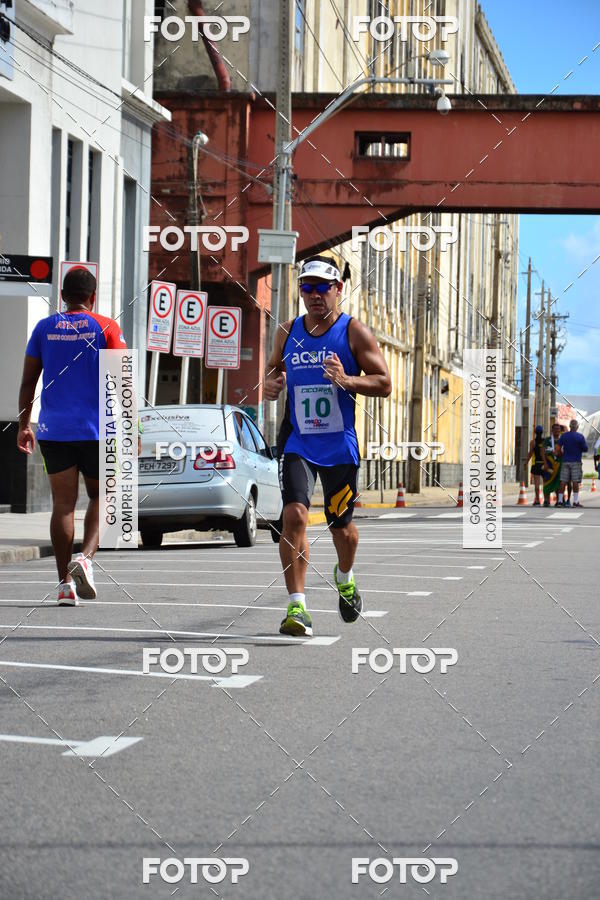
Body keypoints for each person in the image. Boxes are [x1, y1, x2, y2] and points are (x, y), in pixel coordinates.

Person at [264, 254, 391, 636]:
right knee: (295, 517)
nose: (315, 295)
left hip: (339, 447)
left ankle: (345, 575)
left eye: (323, 288)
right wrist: (271, 385)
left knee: (343, 529)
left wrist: (348, 381)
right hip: (298, 442)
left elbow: (384, 382)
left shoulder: (354, 332)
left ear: (338, 290)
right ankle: (297, 607)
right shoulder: (287, 331)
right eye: (307, 288)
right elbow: (274, 368)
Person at [17, 268, 127, 605]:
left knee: (62, 506)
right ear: (93, 297)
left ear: (63, 296)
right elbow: (123, 381)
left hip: (53, 429)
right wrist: (132, 427)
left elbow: (27, 383)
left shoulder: (43, 328)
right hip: (97, 430)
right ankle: (85, 559)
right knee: (103, 496)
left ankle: (65, 585)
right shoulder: (107, 326)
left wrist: (24, 425)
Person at [557, 418, 588, 508]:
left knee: (563, 481)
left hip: (565, 461)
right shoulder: (580, 437)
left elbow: (558, 449)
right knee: (575, 481)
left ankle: (559, 501)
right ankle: (575, 501)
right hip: (576, 462)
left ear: (570, 427)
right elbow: (585, 449)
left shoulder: (564, 436)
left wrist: (562, 455)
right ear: (577, 427)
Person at [526, 425, 550, 506]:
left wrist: (526, 462)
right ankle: (546, 500)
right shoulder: (545, 442)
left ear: (535, 432)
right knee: (546, 483)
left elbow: (530, 453)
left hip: (536, 464)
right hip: (544, 464)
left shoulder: (533, 442)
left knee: (537, 485)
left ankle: (537, 500)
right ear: (542, 432)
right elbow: (547, 454)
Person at [542, 422, 563, 507]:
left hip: (559, 464)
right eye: (555, 429)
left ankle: (559, 500)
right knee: (547, 482)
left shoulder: (562, 440)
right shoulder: (547, 440)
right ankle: (546, 500)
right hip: (549, 465)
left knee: (558, 483)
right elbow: (542, 452)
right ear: (552, 430)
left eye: (558, 429)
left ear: (560, 430)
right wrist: (545, 463)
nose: (557, 431)